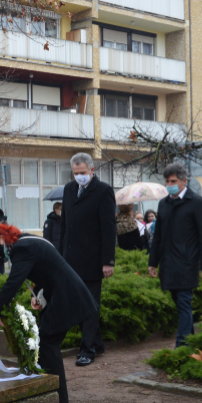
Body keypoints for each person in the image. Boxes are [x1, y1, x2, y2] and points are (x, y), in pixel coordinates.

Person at [0, 222, 97, 403]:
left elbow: (14, 281)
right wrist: (36, 293)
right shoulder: (27, 241)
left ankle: (58, 401)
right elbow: (45, 269)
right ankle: (53, 396)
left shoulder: (22, 247)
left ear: (1, 239)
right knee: (46, 342)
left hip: (66, 298)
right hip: (65, 295)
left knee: (46, 343)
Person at [59, 152, 116, 367]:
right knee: (77, 304)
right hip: (71, 259)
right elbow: (64, 225)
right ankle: (97, 343)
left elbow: (109, 229)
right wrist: (60, 256)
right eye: (76, 173)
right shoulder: (68, 189)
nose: (79, 177)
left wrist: (108, 261)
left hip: (93, 260)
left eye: (82, 173)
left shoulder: (103, 191)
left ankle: (87, 349)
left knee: (90, 305)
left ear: (92, 170)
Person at [148, 162, 202, 348]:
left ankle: (182, 347)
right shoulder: (164, 204)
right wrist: (153, 262)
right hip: (169, 264)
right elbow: (158, 235)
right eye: (167, 181)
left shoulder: (197, 203)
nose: (170, 185)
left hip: (187, 263)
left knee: (184, 303)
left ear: (184, 181)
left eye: (174, 181)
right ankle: (191, 341)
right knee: (179, 303)